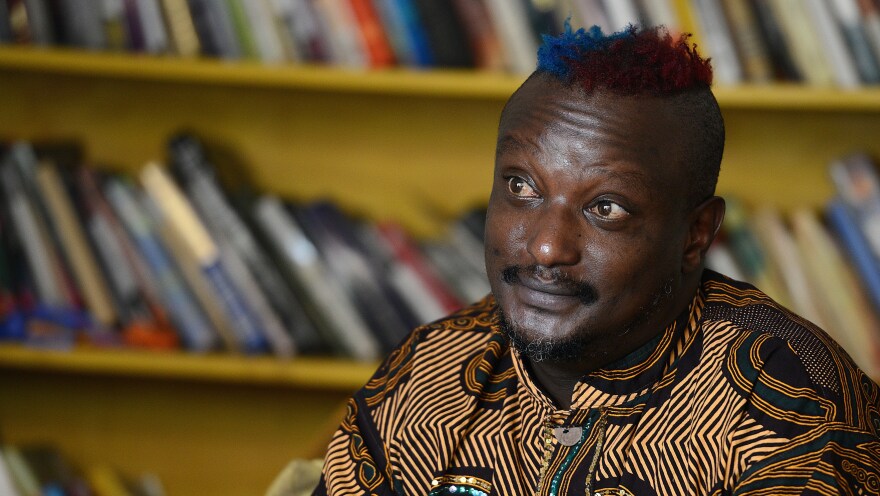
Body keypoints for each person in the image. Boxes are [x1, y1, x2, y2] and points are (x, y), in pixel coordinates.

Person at [315, 24, 880, 495]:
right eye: (521, 186)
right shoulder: (431, 370)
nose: (546, 247)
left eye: (606, 207)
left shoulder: (790, 412)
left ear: (696, 233)